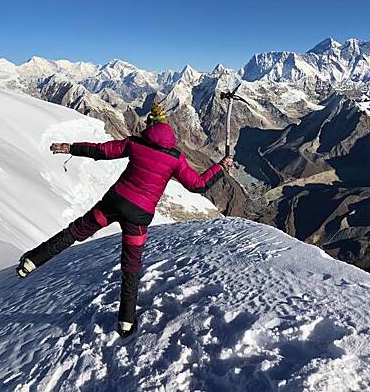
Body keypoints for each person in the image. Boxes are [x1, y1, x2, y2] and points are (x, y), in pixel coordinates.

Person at [16, 103, 233, 338]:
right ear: (169, 131)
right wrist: (220, 167)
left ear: (149, 127)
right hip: (138, 218)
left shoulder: (135, 143)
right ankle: (126, 322)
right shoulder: (175, 158)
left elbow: (102, 151)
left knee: (76, 231)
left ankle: (32, 261)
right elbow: (197, 185)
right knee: (131, 267)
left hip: (113, 203)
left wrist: (71, 147)